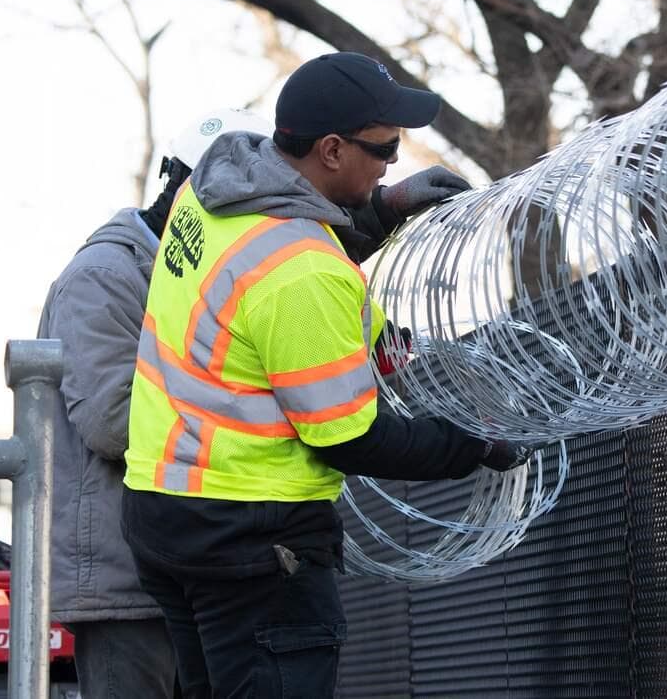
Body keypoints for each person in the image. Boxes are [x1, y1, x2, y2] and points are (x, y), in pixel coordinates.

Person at [121, 51, 532, 698]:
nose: (393, 162)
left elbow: (268, 270)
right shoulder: (303, 271)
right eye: (385, 149)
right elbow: (348, 435)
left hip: (163, 509)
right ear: (332, 149)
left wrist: (382, 208)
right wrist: (472, 444)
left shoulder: (210, 190)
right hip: (249, 536)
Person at [37, 108, 272, 698]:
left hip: (192, 568)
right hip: (128, 584)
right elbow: (113, 422)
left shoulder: (195, 278)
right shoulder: (104, 277)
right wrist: (259, 409)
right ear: (183, 192)